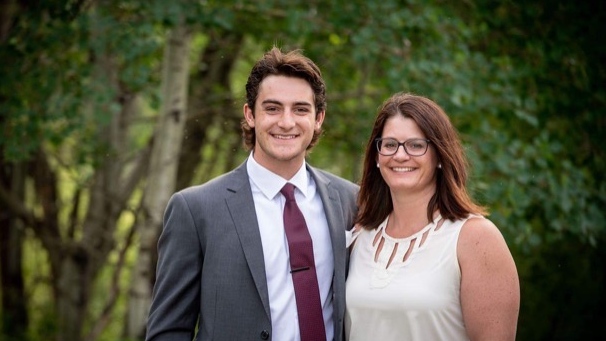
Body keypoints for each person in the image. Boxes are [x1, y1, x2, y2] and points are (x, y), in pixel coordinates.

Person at [146, 46, 358, 341]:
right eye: (272, 108)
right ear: (250, 115)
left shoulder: (352, 201)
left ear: (319, 118)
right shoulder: (196, 210)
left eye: (300, 109)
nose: (286, 122)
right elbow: (168, 331)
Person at [345, 93, 520, 340]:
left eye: (416, 145)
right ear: (376, 156)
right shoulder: (359, 235)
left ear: (439, 156)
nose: (401, 155)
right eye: (390, 144)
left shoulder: (475, 238)